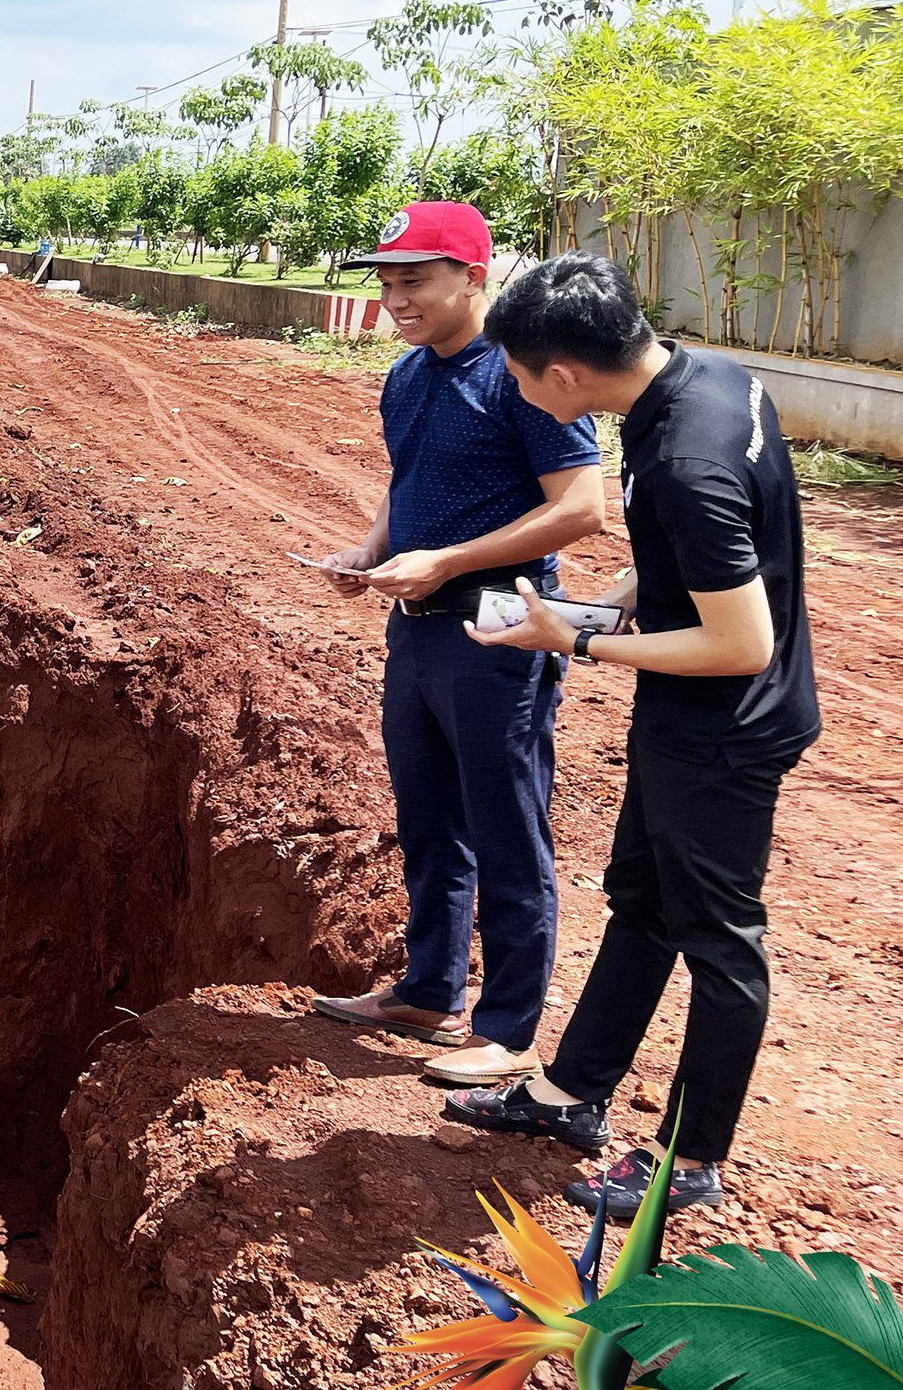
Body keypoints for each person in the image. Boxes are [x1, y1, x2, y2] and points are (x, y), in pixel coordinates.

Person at [443, 254, 817, 1218]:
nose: (521, 393)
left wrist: (571, 638)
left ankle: (688, 1159)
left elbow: (738, 642)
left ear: (561, 375)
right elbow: (694, 573)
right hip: (688, 716)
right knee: (641, 901)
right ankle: (570, 1094)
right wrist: (600, 608)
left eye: (521, 378)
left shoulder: (686, 459)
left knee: (719, 941)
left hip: (725, 731)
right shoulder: (711, 378)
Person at [306, 201, 606, 1088]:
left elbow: (580, 506)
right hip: (420, 631)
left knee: (506, 826)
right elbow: (409, 475)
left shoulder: (522, 378)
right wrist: (372, 547)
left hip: (501, 632)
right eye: (388, 282)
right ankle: (428, 989)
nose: (397, 298)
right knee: (427, 815)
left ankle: (508, 1029)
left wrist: (447, 560)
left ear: (473, 278)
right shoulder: (406, 375)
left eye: (416, 281)